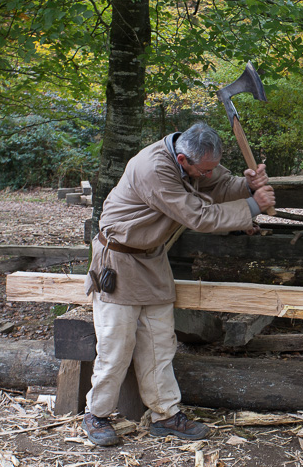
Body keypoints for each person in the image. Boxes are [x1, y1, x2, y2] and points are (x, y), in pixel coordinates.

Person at [81, 122, 275, 446]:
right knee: (116, 346)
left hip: (152, 259)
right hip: (119, 261)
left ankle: (166, 415)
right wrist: (253, 205)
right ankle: (95, 414)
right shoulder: (154, 168)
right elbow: (198, 215)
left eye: (213, 167)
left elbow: (219, 185)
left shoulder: (197, 157)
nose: (210, 174)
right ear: (183, 159)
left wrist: (247, 184)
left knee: (160, 344)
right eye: (206, 170)